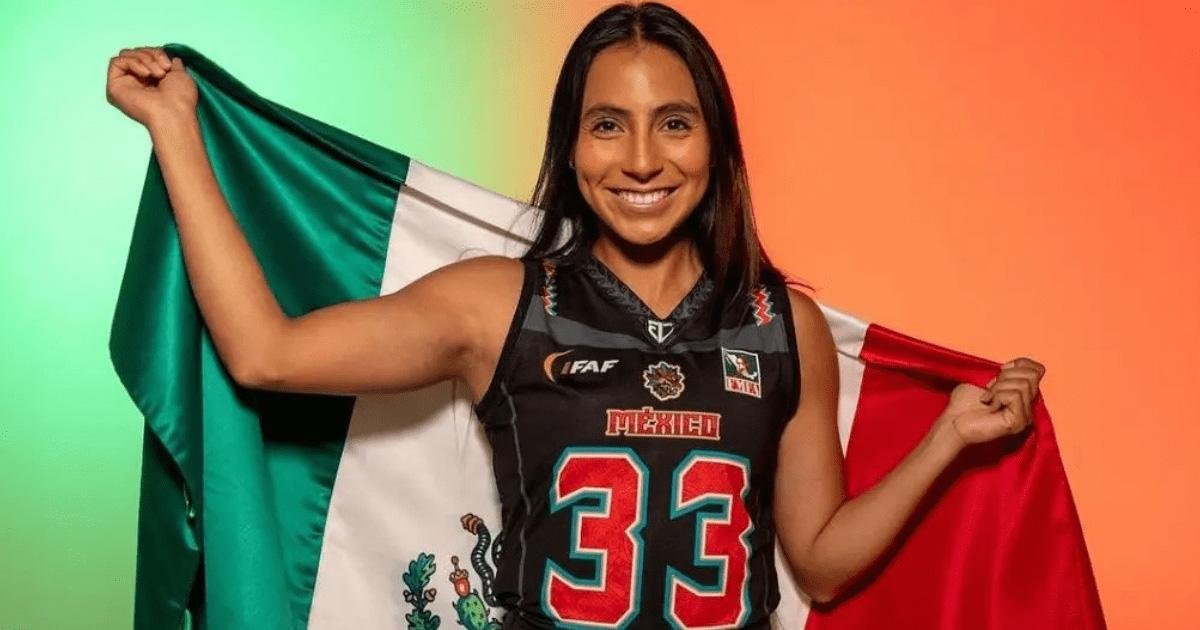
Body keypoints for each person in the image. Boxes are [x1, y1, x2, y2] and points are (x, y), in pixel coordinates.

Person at [106, 2, 1045, 628]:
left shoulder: (780, 324)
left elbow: (825, 564)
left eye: (673, 122)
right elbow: (266, 355)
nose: (640, 159)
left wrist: (948, 439)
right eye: (607, 125)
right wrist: (179, 129)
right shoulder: (497, 302)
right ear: (571, 143)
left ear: (717, 142)